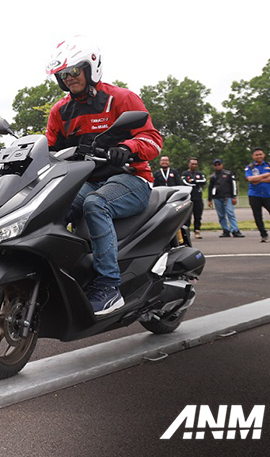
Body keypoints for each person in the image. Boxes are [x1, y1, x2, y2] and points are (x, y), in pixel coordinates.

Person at [45, 35, 162, 316]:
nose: (69, 78)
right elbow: (48, 148)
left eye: (74, 71)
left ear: (91, 67)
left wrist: (128, 147)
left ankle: (109, 287)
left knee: (95, 204)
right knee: (52, 208)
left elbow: (154, 140)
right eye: (63, 74)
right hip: (86, 180)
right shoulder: (60, 111)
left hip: (131, 177)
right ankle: (58, 278)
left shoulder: (121, 98)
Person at [244, 147, 270, 243]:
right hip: (254, 195)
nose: (259, 156)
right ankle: (264, 235)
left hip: (268, 195)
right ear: (253, 156)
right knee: (258, 216)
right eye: (256, 155)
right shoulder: (250, 167)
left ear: (264, 155)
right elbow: (250, 179)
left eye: (260, 154)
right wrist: (265, 175)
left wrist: (259, 179)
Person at [208, 159, 244, 238]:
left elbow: (233, 185)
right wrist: (209, 199)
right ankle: (225, 230)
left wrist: (234, 196)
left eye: (219, 164)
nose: (217, 166)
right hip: (217, 198)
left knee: (230, 214)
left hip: (227, 197)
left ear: (222, 165)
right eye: (215, 165)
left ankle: (235, 230)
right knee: (221, 215)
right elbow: (210, 188)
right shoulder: (213, 176)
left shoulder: (228, 174)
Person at [181, 157, 207, 239]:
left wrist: (194, 181)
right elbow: (185, 183)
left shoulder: (199, 173)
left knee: (198, 215)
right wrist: (195, 183)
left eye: (195, 164)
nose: (194, 165)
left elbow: (204, 181)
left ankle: (197, 230)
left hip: (198, 198)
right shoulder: (185, 173)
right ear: (189, 164)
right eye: (192, 164)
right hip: (188, 198)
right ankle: (186, 232)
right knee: (187, 216)